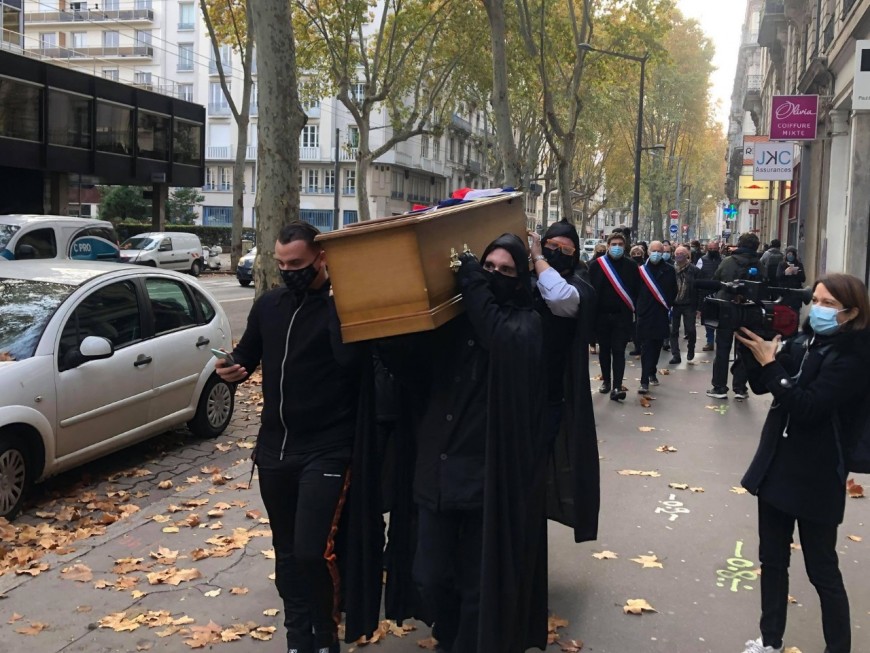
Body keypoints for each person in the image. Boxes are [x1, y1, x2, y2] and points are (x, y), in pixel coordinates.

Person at [215, 221, 373, 653]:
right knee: (285, 552)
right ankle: (297, 636)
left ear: (321, 258)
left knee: (311, 551)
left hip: (328, 448)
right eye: (281, 264)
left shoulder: (342, 306)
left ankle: (325, 634)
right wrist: (230, 368)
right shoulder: (270, 305)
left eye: (297, 264)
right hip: (273, 450)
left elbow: (352, 363)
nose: (288, 272)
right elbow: (247, 355)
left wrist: (340, 303)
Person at [390, 233, 548, 653]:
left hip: (486, 475)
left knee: (477, 583)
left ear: (521, 279)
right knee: (428, 576)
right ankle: (449, 631)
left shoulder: (526, 324)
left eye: (505, 270)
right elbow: (412, 369)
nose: (493, 275)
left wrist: (473, 278)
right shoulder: (454, 322)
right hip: (437, 470)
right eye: (488, 266)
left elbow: (498, 335)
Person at [735, 273, 870, 653]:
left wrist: (771, 366)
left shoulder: (854, 359)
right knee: (772, 560)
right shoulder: (806, 342)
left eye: (829, 303)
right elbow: (761, 384)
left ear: (851, 313)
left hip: (818, 474)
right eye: (816, 300)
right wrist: (749, 345)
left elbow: (808, 407)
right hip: (777, 466)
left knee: (821, 570)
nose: (818, 309)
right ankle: (770, 641)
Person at [528, 222, 601, 547]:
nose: (558, 253)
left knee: (534, 475)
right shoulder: (526, 279)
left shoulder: (579, 285)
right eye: (551, 247)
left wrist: (538, 258)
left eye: (565, 250)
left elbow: (560, 298)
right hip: (514, 393)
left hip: (549, 396)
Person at [706, 232, 766, 400]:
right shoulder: (759, 264)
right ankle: (740, 387)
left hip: (726, 308)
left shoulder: (728, 262)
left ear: (739, 244)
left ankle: (719, 387)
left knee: (722, 349)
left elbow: (716, 279)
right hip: (749, 310)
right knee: (745, 349)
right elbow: (765, 286)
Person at [589, 231, 640, 401]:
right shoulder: (597, 265)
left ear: (625, 247)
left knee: (618, 351)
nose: (617, 247)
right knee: (604, 350)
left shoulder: (631, 266)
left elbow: (636, 290)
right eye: (614, 244)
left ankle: (617, 386)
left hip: (622, 317)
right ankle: (606, 381)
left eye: (620, 245)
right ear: (608, 246)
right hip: (601, 316)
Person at [635, 241, 677, 394]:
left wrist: (668, 304)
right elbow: (635, 290)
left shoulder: (669, 270)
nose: (657, 253)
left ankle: (652, 371)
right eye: (654, 251)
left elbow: (673, 290)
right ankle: (644, 380)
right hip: (645, 313)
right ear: (648, 252)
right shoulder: (641, 270)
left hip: (661, 312)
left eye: (660, 251)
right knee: (646, 347)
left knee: (657, 344)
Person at [669, 245, 699, 363]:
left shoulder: (694, 270)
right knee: (673, 330)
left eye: (682, 253)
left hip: (689, 304)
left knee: (690, 329)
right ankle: (675, 355)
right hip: (675, 304)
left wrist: (699, 307)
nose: (679, 256)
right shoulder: (671, 269)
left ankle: (691, 348)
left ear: (687, 255)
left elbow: (699, 288)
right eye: (677, 254)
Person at [696, 241, 722, 352]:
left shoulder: (724, 260)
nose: (712, 251)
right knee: (709, 320)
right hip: (706, 294)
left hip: (720, 293)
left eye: (714, 249)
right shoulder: (701, 260)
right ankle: (710, 341)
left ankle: (720, 342)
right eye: (710, 249)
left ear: (718, 249)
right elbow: (697, 275)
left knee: (721, 320)